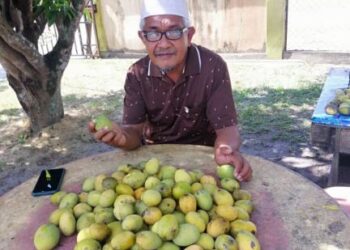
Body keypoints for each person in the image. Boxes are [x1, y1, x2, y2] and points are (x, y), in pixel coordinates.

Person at [88, 0, 252, 181]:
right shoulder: (137, 74)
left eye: (174, 32)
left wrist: (226, 150)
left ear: (189, 36)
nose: (163, 44)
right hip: (156, 163)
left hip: (203, 159)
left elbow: (226, 128)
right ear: (143, 38)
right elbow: (133, 132)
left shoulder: (212, 66)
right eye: (152, 33)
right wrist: (122, 138)